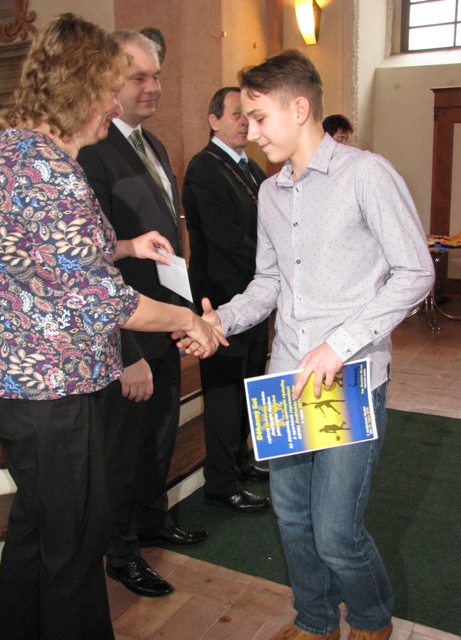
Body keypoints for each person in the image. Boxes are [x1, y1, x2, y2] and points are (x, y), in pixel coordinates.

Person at [0, 14, 224, 640]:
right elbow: (99, 301)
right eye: (109, 90)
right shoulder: (49, 168)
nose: (114, 106)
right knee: (74, 545)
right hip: (50, 386)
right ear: (79, 91)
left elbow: (42, 257)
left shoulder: (12, 148)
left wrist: (125, 246)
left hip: (22, 382)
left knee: (38, 530)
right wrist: (187, 319)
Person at [189, 50, 435, 640]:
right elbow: (269, 283)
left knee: (336, 532)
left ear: (299, 109)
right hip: (287, 378)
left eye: (259, 116)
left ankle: (371, 622)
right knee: (293, 517)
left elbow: (416, 271)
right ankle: (315, 620)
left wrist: (338, 344)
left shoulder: (365, 174)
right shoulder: (271, 192)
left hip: (347, 377)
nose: (250, 130)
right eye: (245, 118)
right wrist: (220, 321)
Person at [77, 29, 207, 600]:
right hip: (126, 330)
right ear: (109, 79)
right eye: (139, 78)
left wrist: (184, 311)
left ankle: (153, 521)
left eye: (156, 76)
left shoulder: (150, 143)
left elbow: (166, 239)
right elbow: (90, 265)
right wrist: (124, 352)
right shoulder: (91, 150)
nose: (153, 87)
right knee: (124, 450)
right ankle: (122, 553)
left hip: (165, 318)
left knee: (158, 435)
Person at [182, 87, 271, 512]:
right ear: (213, 120)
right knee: (223, 392)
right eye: (235, 114)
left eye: (248, 115)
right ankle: (221, 481)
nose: (244, 122)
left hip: (254, 294)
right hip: (218, 298)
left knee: (250, 380)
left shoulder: (252, 167)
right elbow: (226, 239)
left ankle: (240, 460)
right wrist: (275, 266)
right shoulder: (204, 168)